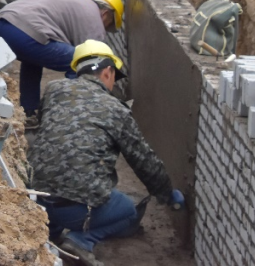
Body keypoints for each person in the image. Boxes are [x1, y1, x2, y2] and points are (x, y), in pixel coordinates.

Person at [28, 40, 183, 265]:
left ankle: (49, 233)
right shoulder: (115, 109)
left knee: (56, 176)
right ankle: (81, 241)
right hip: (76, 210)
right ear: (108, 72)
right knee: (129, 211)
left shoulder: (54, 89)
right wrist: (166, 193)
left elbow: (48, 133)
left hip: (35, 199)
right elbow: (143, 160)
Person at [0, 0, 124, 117]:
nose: (104, 29)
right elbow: (92, 59)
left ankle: (29, 111)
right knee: (79, 62)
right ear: (105, 14)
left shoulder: (77, 3)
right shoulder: (95, 19)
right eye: (108, 24)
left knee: (33, 61)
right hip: (23, 33)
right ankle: (73, 114)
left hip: (1, 25)